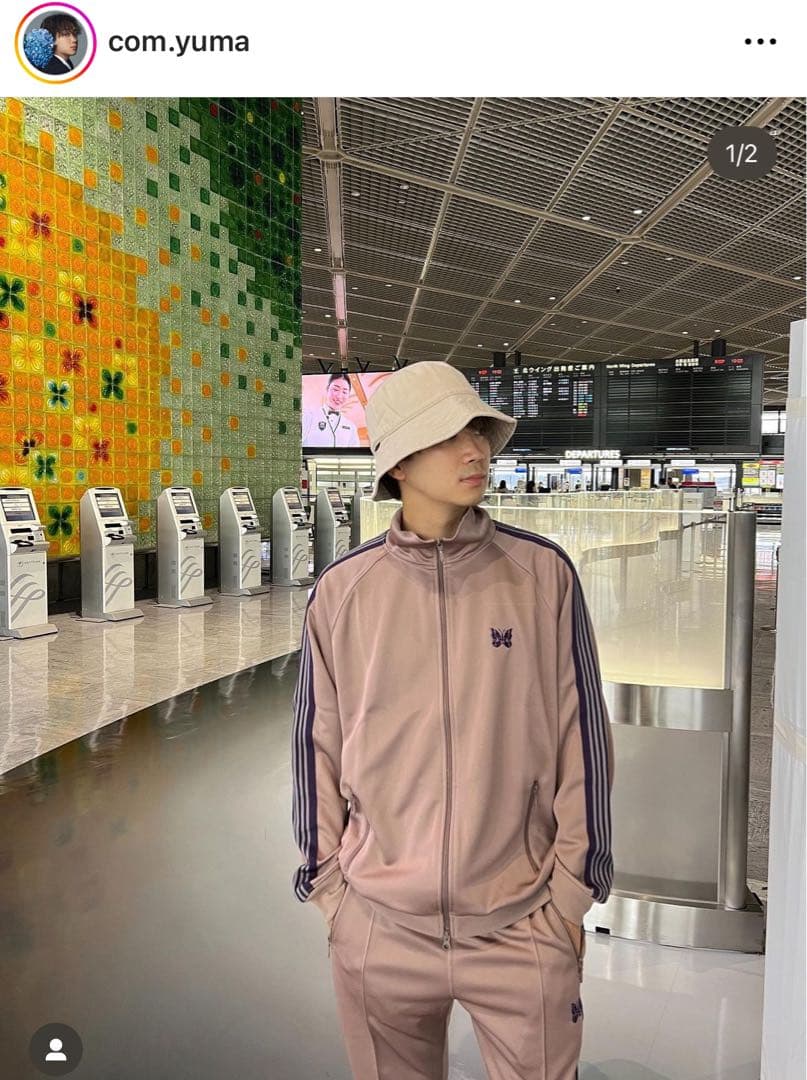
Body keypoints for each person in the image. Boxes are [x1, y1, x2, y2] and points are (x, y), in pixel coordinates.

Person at [292, 361, 614, 1079]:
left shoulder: (542, 575)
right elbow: (316, 747)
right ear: (397, 463)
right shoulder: (342, 593)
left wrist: (570, 898)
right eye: (446, 436)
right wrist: (330, 890)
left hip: (521, 923)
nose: (474, 450)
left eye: (477, 431)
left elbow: (582, 744)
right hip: (378, 927)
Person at [301, 373, 361, 448]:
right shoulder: (309, 416)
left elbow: (354, 453)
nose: (339, 396)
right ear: (327, 389)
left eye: (344, 392)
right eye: (335, 389)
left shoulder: (351, 427)